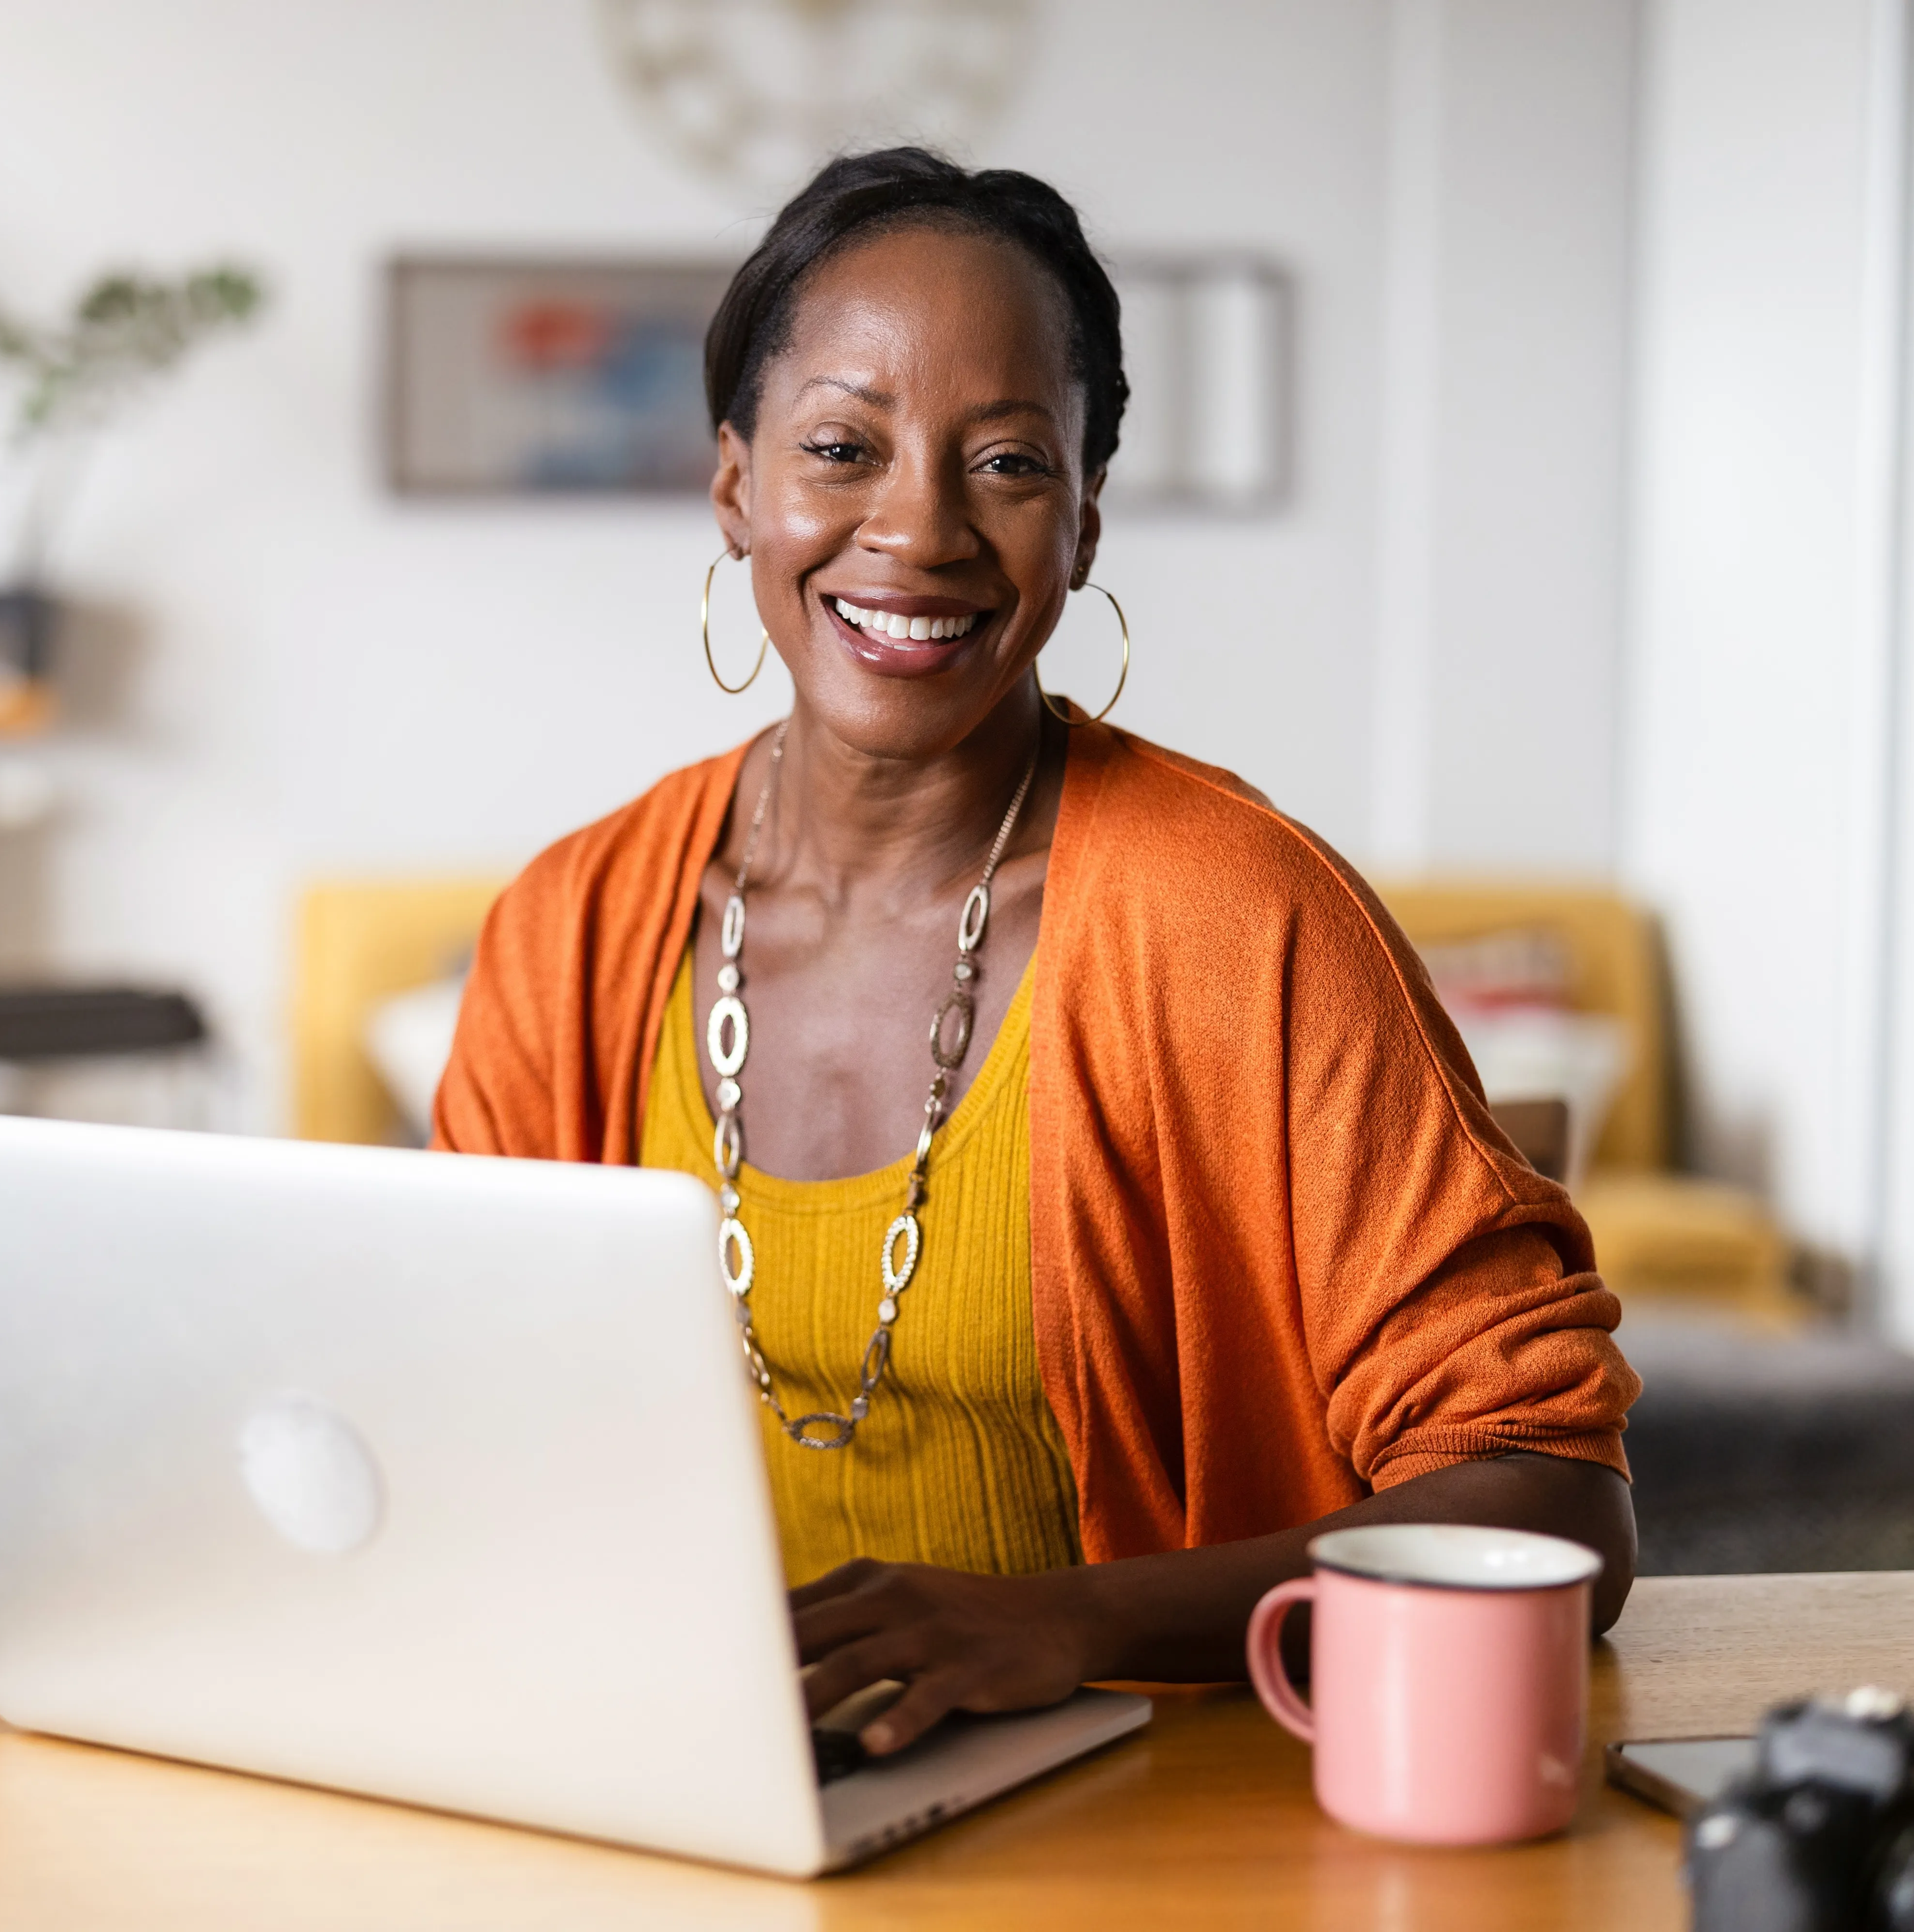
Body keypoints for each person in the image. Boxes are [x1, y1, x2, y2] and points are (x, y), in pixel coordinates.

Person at [434, 148, 1638, 1762]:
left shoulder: (1244, 920)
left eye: (1005, 463)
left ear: (1084, 520)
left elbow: (1557, 1503)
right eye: (842, 448)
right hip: (688, 1795)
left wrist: (1069, 1623)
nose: (918, 529)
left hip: (1155, 1815)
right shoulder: (570, 930)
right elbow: (466, 1424)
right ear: (735, 487)